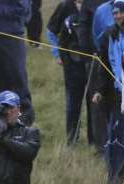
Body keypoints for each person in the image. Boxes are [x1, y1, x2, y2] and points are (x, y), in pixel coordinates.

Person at [92, 0, 124, 184]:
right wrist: (100, 89)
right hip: (116, 93)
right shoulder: (109, 34)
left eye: (121, 13)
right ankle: (115, 178)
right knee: (115, 136)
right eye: (115, 13)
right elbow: (104, 64)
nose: (118, 16)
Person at [46, 0, 87, 144]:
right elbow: (51, 30)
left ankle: (95, 140)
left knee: (95, 104)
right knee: (73, 102)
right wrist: (57, 54)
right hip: (71, 62)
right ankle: (72, 137)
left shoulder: (96, 6)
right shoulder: (64, 6)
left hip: (90, 63)